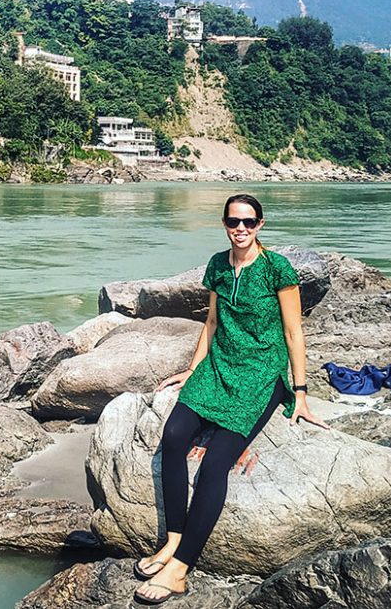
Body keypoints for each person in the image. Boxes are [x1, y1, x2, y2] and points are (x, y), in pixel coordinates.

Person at [133, 193, 329, 606]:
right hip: (220, 364)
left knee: (216, 461)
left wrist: (300, 393)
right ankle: (172, 541)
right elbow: (211, 320)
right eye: (233, 222)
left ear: (261, 225)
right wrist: (193, 368)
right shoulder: (218, 265)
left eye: (249, 222)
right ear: (224, 223)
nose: (241, 229)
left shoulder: (277, 268)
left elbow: (294, 333)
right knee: (173, 437)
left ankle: (182, 568)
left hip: (262, 371)